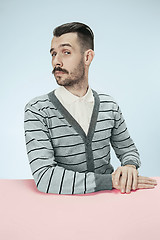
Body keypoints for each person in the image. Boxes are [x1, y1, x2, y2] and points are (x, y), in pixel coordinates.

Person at [24, 22, 157, 195]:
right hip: (61, 207)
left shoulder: (109, 106)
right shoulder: (37, 110)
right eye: (53, 53)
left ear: (87, 57)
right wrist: (111, 181)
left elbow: (128, 150)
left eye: (66, 52)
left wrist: (130, 166)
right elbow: (45, 178)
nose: (56, 61)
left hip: (109, 204)